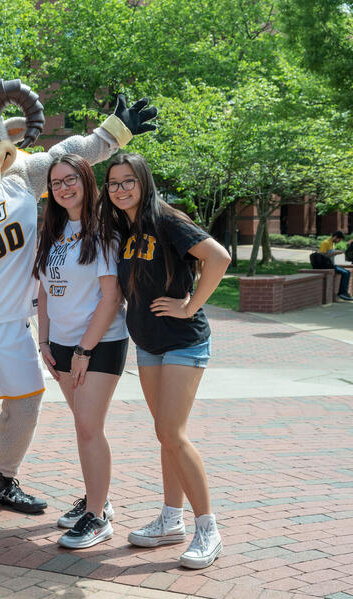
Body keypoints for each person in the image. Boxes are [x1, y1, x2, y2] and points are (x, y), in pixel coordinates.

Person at [102, 153, 230, 569]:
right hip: (148, 344)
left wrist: (191, 306)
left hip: (182, 342)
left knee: (173, 433)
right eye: (114, 183)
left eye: (128, 181)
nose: (121, 189)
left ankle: (207, 529)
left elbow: (219, 257)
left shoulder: (166, 218)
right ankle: (170, 521)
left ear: (144, 182)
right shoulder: (123, 226)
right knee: (164, 434)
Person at [33, 155, 128, 549]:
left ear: (88, 181)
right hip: (61, 345)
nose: (63, 187)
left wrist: (84, 350)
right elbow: (43, 288)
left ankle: (97, 514)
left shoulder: (103, 231)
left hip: (99, 344)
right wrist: (44, 341)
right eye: (55, 182)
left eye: (70, 179)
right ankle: (95, 499)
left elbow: (111, 297)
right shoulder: (54, 229)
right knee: (85, 429)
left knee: (89, 428)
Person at [318, 230, 352, 301]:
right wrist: (335, 253)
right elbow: (321, 256)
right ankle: (342, 293)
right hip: (326, 266)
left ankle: (344, 292)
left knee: (347, 272)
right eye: (339, 239)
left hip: (331, 264)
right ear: (335, 237)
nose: (339, 241)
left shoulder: (332, 243)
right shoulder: (325, 243)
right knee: (345, 273)